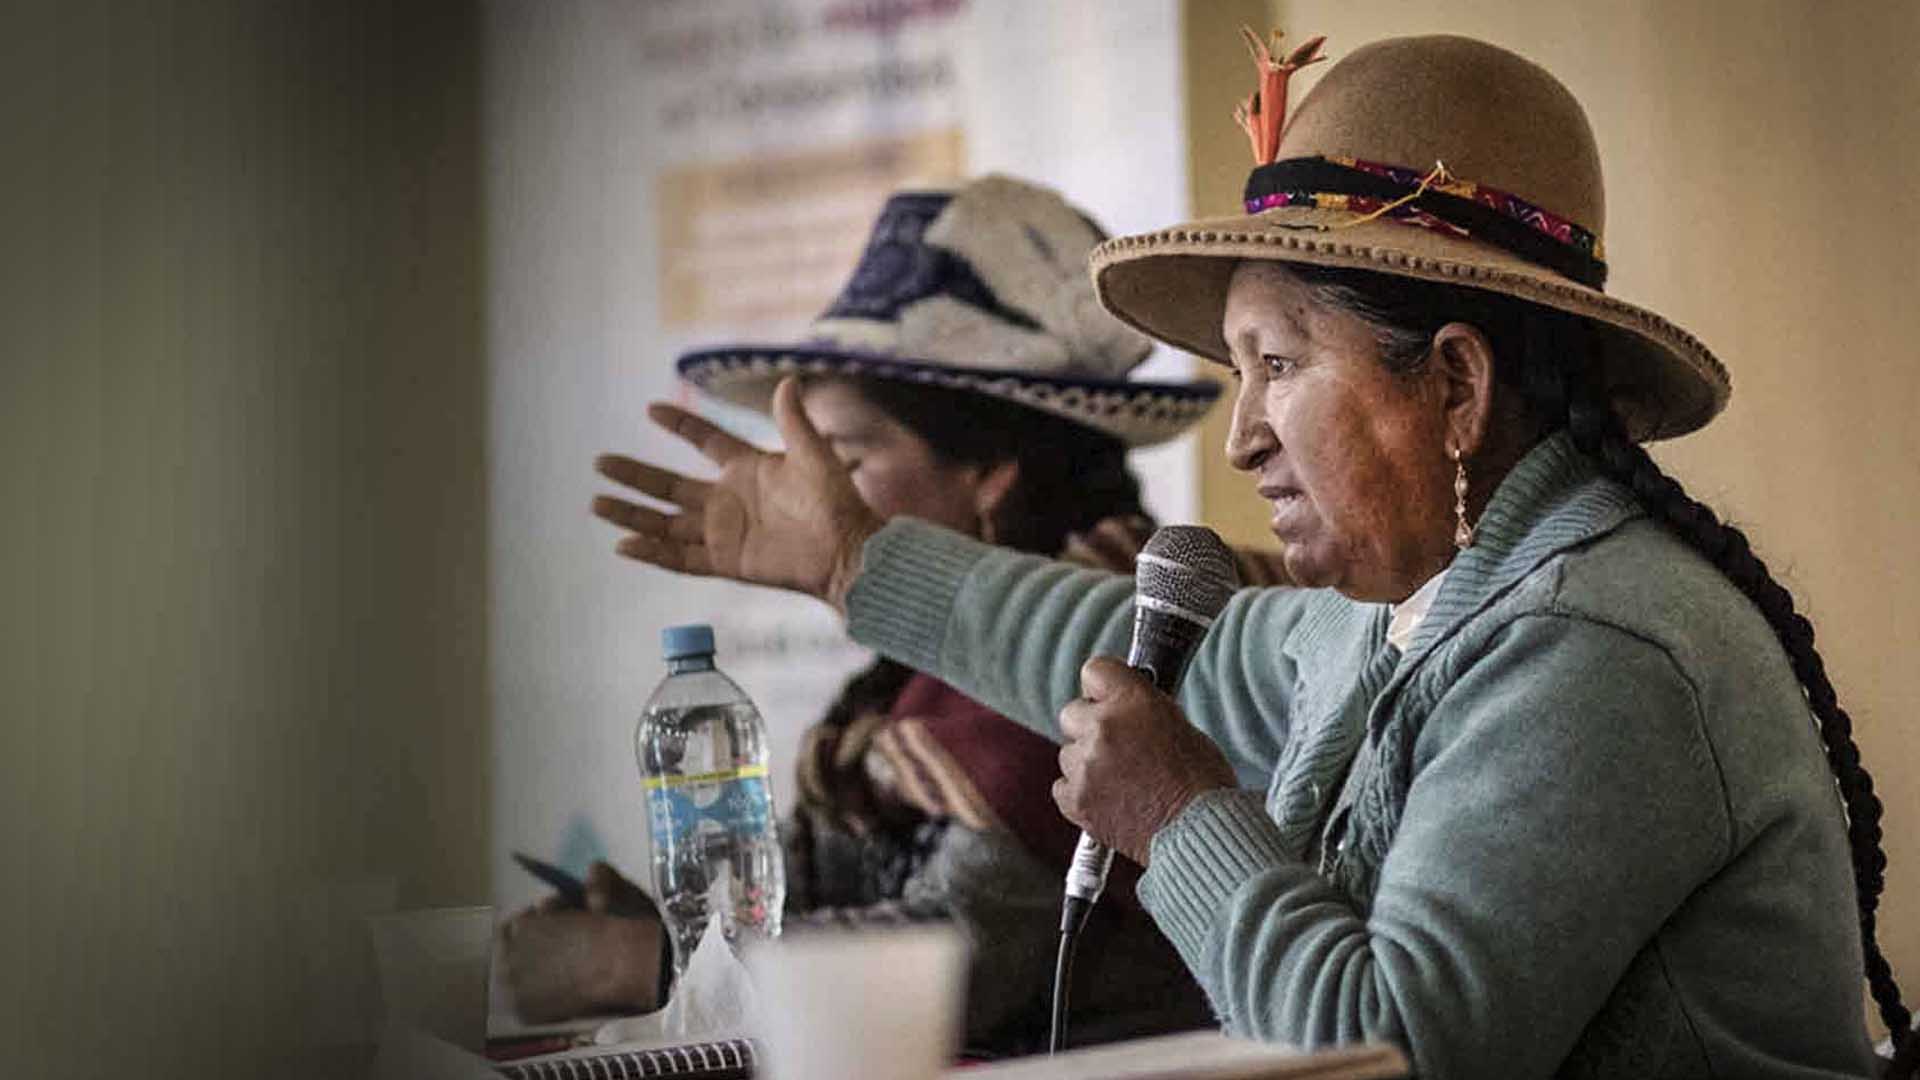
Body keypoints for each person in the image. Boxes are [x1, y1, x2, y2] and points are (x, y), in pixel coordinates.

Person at [591, 32, 1915, 1080]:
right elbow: (1091, 645)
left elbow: (1396, 1046)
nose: (1244, 437)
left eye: (1279, 366)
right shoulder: (1410, 608)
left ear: (1453, 386)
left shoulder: (1596, 647)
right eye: (1238, 371)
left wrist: (1180, 822)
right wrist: (852, 563)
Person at [515, 175, 1252, 1053]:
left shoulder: (1107, 659)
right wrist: (672, 932)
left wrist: (646, 965)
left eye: (847, 459)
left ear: (989, 475)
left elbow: (954, 965)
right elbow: (811, 892)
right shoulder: (901, 690)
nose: (809, 495)